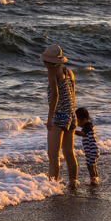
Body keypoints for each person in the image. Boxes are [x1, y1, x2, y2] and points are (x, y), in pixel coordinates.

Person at [39, 44, 78, 188]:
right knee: (69, 152)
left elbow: (55, 95)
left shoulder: (51, 72)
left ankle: (52, 186)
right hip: (71, 114)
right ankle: (73, 182)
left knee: (53, 154)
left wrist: (50, 117)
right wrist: (72, 112)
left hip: (59, 115)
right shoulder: (69, 71)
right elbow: (72, 93)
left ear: (48, 61)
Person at [74, 107, 100, 186]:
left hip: (92, 151)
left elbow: (82, 133)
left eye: (78, 121)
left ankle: (94, 180)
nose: (77, 123)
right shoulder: (89, 126)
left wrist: (73, 131)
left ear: (84, 120)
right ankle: (95, 179)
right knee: (92, 166)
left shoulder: (88, 126)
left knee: (91, 167)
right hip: (92, 151)